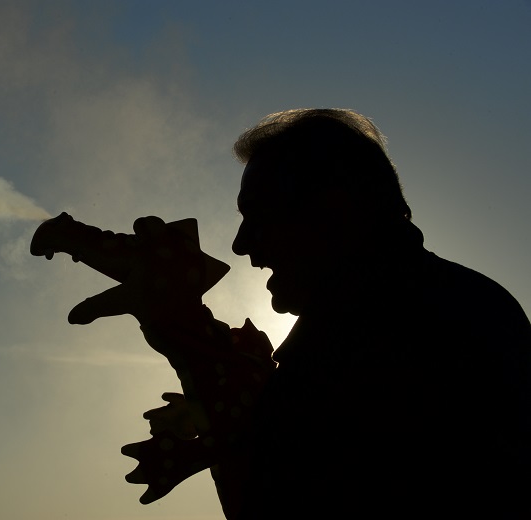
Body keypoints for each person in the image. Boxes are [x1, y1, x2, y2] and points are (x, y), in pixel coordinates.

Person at [32, 109, 531, 518]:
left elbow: (284, 502)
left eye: (258, 216)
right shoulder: (433, 305)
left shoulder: (408, 326)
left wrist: (183, 329)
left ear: (333, 212)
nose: (241, 245)